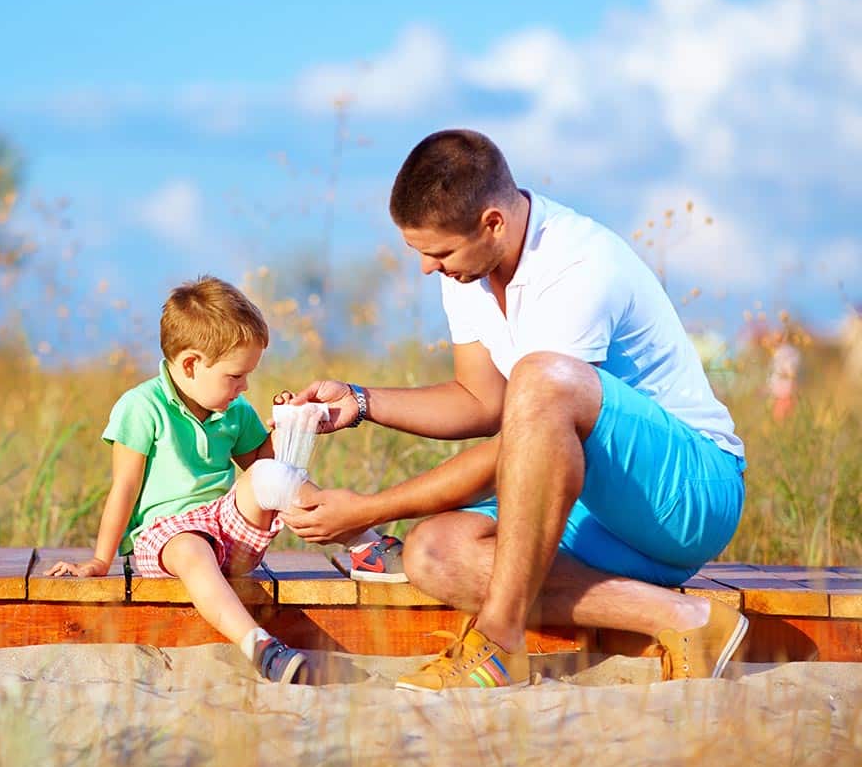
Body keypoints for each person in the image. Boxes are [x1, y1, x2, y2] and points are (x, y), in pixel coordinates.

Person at [281, 130, 749, 690]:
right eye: (420, 252)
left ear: (493, 223)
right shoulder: (469, 269)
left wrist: (371, 511)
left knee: (540, 378)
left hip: (688, 495)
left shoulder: (577, 266)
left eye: (439, 252)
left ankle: (497, 642)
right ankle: (685, 620)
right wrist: (360, 402)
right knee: (433, 552)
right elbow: (482, 401)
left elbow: (527, 434)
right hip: (596, 510)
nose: (428, 269)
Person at [46, 275, 397, 683]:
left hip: (226, 528)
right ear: (191, 364)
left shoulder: (236, 410)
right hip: (166, 538)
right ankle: (260, 647)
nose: (245, 386)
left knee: (269, 474)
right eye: (235, 376)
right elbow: (123, 488)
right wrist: (100, 561)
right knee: (192, 550)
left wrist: (288, 428)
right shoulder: (141, 407)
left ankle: (365, 544)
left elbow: (270, 470)